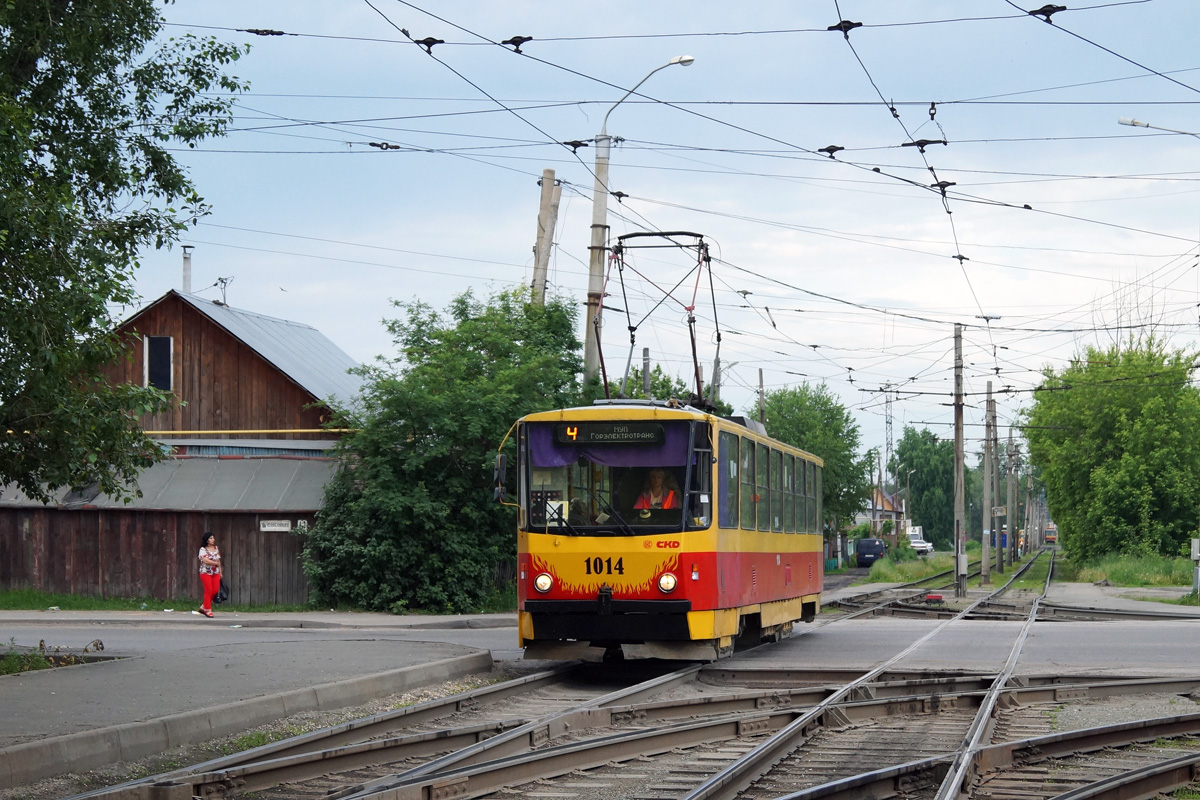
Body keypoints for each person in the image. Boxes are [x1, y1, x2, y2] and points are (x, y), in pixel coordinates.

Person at [197, 532, 222, 618]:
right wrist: (215, 563)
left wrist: (220, 572)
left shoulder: (216, 548)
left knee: (215, 590)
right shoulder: (203, 549)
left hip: (215, 572)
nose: (213, 540)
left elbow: (219, 561)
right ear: (207, 540)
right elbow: (205, 560)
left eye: (213, 538)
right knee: (208, 589)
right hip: (205, 572)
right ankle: (208, 609)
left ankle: (203, 606)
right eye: (211, 538)